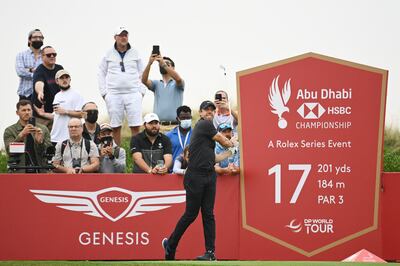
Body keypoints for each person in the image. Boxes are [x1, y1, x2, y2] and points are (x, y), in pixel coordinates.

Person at [162, 100, 238, 261]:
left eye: (212, 110)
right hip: (195, 176)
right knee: (191, 214)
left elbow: (215, 157)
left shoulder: (208, 133)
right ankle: (171, 244)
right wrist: (233, 143)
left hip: (209, 175)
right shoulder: (204, 125)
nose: (209, 112)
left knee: (208, 214)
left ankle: (210, 253)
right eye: (206, 110)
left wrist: (233, 151)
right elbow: (224, 141)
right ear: (201, 113)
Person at [98, 26, 146, 145]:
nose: (124, 37)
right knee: (115, 126)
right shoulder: (108, 53)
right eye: (121, 35)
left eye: (126, 35)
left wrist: (141, 91)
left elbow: (143, 72)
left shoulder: (135, 53)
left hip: (133, 92)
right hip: (114, 94)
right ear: (115, 37)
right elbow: (101, 73)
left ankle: (136, 154)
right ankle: (118, 154)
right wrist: (104, 93)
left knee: (135, 125)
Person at [36, 70, 85, 146]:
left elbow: (83, 114)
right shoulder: (57, 96)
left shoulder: (76, 94)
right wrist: (42, 114)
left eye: (66, 77)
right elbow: (56, 116)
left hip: (69, 137)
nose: (65, 80)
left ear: (70, 80)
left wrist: (66, 111)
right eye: (62, 78)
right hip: (55, 137)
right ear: (57, 81)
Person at [3, 100, 51, 173]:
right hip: (20, 171)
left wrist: (40, 142)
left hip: (40, 170)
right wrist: (21, 135)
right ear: (17, 113)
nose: (27, 112)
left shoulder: (43, 129)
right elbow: (10, 152)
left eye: (29, 110)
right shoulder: (10, 130)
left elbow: (49, 153)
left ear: (32, 111)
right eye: (23, 110)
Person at [142, 54, 184, 124]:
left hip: (174, 125)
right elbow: (144, 80)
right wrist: (150, 63)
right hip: (158, 126)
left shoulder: (177, 83)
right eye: (161, 64)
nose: (163, 65)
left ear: (173, 68)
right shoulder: (156, 84)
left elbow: (178, 79)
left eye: (167, 64)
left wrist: (164, 65)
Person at [32, 46, 64, 127]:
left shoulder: (59, 68)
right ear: (42, 57)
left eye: (54, 54)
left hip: (56, 113)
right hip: (41, 115)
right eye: (49, 55)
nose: (52, 56)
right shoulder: (39, 70)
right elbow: (39, 83)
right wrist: (40, 92)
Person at [15, 29, 44, 100]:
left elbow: (48, 72)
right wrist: (38, 75)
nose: (38, 39)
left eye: (41, 37)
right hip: (25, 96)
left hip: (42, 95)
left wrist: (29, 70)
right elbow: (20, 71)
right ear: (29, 40)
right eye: (35, 37)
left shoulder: (46, 55)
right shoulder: (21, 55)